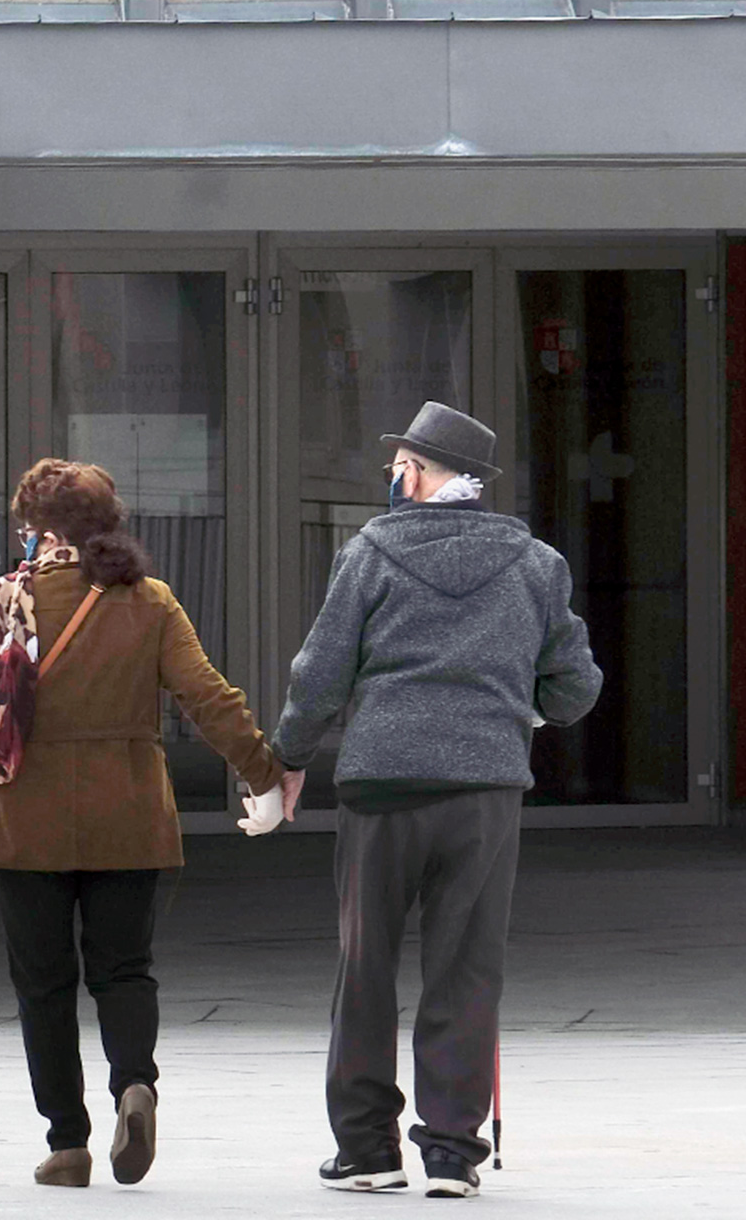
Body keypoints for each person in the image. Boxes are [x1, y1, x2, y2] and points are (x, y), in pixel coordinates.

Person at [0, 458, 290, 1190]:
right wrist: (263, 777)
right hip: (129, 817)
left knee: (43, 985)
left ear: (37, 531)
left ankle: (67, 1144)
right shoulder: (151, 601)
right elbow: (209, 697)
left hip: (24, 823)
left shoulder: (3, 602)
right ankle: (134, 1085)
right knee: (124, 969)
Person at [259, 401, 601, 1198]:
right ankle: (451, 1152)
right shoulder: (537, 564)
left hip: (382, 786)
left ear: (415, 473)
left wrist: (289, 759)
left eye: (397, 467)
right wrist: (519, 709)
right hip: (485, 792)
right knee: (468, 968)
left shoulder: (369, 554)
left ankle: (369, 1150)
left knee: (364, 965)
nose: (391, 479)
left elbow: (319, 676)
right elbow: (578, 686)